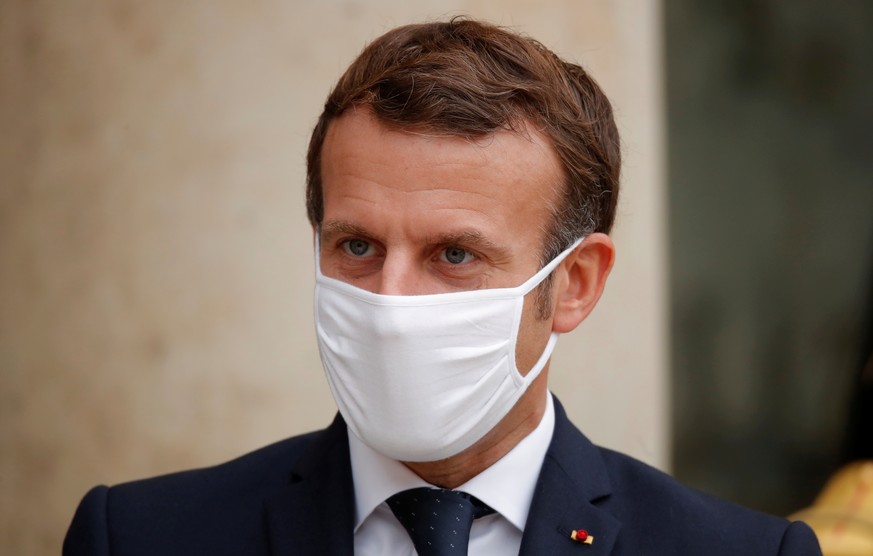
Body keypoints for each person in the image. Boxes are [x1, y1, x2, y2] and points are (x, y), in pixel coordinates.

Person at [64, 18, 822, 555]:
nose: (391, 301)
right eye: (356, 245)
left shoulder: (739, 550)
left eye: (454, 255)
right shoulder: (139, 536)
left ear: (574, 284)